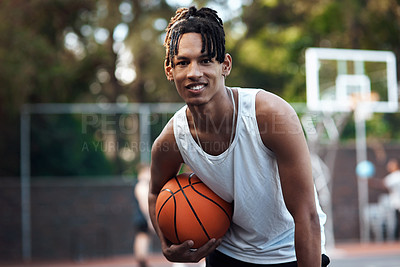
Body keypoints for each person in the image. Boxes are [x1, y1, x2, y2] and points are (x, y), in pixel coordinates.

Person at [148, 6, 330, 267]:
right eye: (183, 63)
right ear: (170, 70)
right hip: (227, 254)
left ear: (226, 65)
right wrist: (166, 246)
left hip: (291, 249)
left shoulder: (270, 115)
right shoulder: (172, 139)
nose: (194, 72)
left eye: (206, 60)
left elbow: (307, 215)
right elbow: (155, 191)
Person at [133, 164, 153, 267]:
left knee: (141, 237)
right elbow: (144, 205)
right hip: (143, 217)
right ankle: (142, 260)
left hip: (140, 217)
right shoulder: (142, 186)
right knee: (143, 238)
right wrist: (149, 220)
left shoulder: (140, 185)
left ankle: (141, 260)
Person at [383, 158, 400, 239]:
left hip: (397, 202)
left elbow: (382, 185)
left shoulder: (394, 177)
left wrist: (369, 181)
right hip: (396, 202)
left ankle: (396, 239)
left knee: (397, 221)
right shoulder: (391, 177)